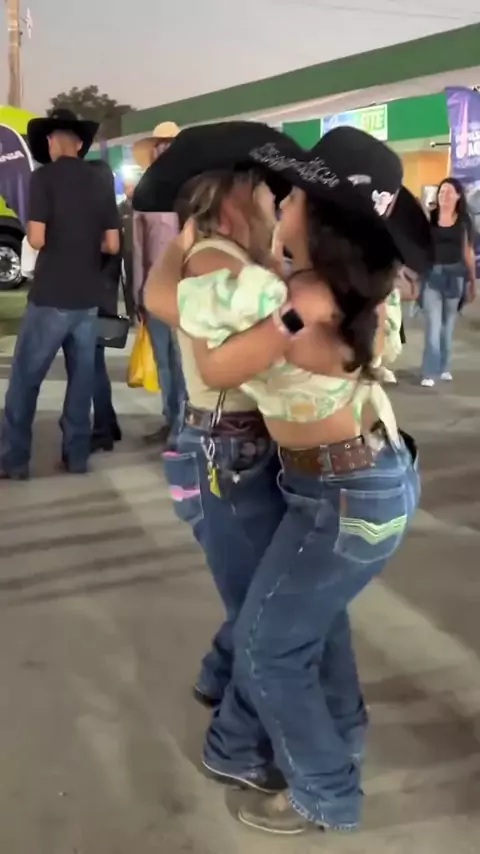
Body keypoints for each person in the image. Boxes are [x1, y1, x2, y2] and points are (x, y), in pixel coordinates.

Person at [142, 123, 431, 834]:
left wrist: (195, 253)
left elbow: (208, 356)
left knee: (269, 643)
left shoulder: (296, 300)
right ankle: (318, 747)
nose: (282, 200)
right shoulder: (332, 288)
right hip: (343, 483)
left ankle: (322, 790)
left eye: (294, 195)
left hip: (346, 491)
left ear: (319, 221)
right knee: (299, 630)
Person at [134, 124, 305, 710]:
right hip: (231, 447)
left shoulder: (222, 255)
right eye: (264, 186)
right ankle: (240, 733)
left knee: (260, 594)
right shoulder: (215, 260)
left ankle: (218, 675)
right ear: (235, 193)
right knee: (263, 605)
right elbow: (176, 314)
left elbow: (160, 296)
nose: (273, 198)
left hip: (235, 444)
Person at [0, 109, 120, 479]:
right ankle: (76, 458)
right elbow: (112, 244)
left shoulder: (43, 178)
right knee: (81, 382)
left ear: (52, 143)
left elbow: (36, 238)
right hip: (88, 297)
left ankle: (14, 460)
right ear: (80, 144)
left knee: (25, 380)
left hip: (51, 294)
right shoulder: (100, 179)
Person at [132, 121, 186, 446]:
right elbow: (138, 250)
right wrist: (139, 294)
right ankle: (172, 421)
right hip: (158, 293)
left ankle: (181, 426)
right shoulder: (147, 193)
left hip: (181, 293)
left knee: (180, 362)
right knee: (166, 362)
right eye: (160, 145)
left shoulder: (191, 193)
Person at [420, 177, 476, 387]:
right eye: (442, 191)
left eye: (449, 192)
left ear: (458, 196)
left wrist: (472, 281)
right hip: (432, 276)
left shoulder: (464, 221)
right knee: (433, 325)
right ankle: (429, 371)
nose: (444, 195)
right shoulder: (430, 216)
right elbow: (421, 246)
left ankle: (444, 367)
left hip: (455, 277)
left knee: (447, 326)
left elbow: (468, 252)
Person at [88, 160, 123, 453]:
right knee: (96, 364)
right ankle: (108, 422)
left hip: (91, 300)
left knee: (91, 367)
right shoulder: (112, 214)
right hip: (105, 296)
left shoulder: (96, 217)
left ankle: (102, 430)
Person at [118, 181, 136, 319]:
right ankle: (130, 312)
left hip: (141, 250)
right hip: (128, 250)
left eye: (132, 187)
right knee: (129, 281)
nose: (130, 190)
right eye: (127, 188)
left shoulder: (142, 207)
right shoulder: (120, 209)